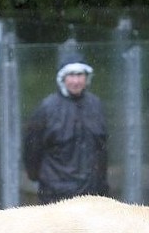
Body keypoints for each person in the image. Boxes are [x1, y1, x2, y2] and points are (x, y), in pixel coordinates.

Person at [23, 52, 109, 204]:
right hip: (56, 194)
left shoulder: (95, 105)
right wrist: (39, 178)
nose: (76, 81)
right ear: (62, 78)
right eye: (71, 75)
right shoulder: (47, 109)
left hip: (92, 193)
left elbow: (102, 149)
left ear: (86, 77)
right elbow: (32, 150)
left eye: (80, 75)